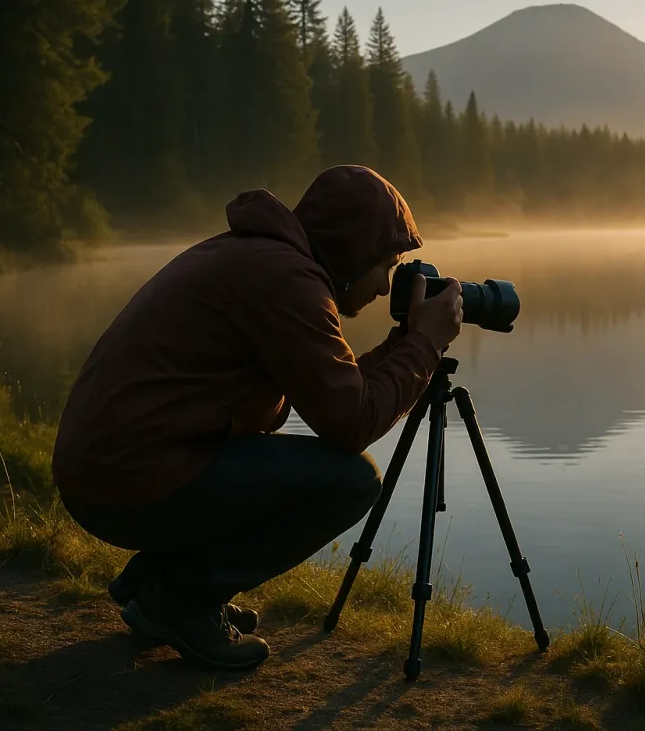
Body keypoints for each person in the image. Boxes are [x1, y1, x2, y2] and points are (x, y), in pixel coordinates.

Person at [51, 165, 462, 671]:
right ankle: (179, 599)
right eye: (388, 264)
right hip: (128, 475)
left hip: (117, 464)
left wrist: (405, 344)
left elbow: (337, 394)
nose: (386, 286)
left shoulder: (263, 259)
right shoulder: (287, 281)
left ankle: (165, 584)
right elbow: (351, 424)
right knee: (351, 480)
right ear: (353, 251)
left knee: (294, 467)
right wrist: (425, 343)